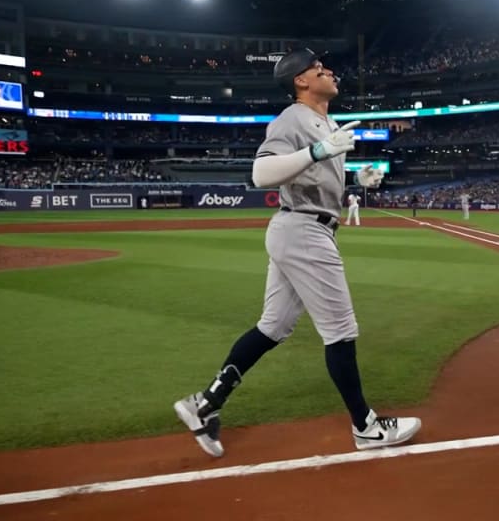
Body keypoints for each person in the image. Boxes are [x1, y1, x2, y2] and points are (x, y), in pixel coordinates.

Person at [173, 48, 420, 457]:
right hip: (304, 228)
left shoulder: (327, 121)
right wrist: (321, 151)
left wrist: (358, 175)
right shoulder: (293, 117)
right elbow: (261, 172)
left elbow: (315, 173)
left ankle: (203, 404)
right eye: (320, 69)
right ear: (301, 81)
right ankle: (366, 427)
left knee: (273, 326)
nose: (331, 72)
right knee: (340, 329)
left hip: (303, 227)